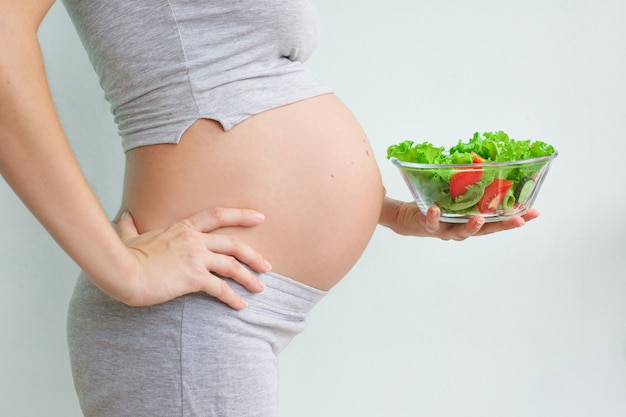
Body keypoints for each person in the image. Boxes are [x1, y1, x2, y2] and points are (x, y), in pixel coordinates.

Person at [0, 1, 539, 416]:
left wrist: (378, 208)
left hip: (227, 312)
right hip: (186, 318)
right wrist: (122, 269)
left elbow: (237, 89)